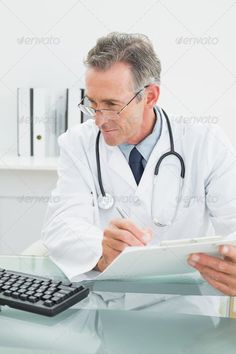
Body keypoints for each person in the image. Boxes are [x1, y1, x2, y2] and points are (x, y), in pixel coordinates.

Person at [42, 32, 236, 295]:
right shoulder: (77, 144)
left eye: (111, 105)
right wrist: (102, 250)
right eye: (93, 104)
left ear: (151, 96)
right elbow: (61, 225)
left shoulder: (205, 142)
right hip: (107, 304)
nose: (99, 120)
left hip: (187, 304)